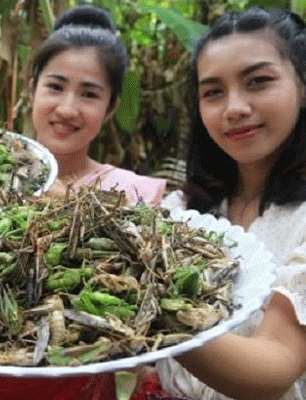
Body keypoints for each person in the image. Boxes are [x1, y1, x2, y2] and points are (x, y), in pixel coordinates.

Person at [0, 5, 166, 400]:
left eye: (89, 94)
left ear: (109, 109)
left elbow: (142, 315)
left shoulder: (131, 193)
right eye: (55, 86)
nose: (68, 108)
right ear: (31, 89)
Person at [131, 6, 306, 400]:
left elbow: (275, 366)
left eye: (258, 81)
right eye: (213, 92)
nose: (234, 108)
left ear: (303, 85)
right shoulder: (180, 212)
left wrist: (145, 307)